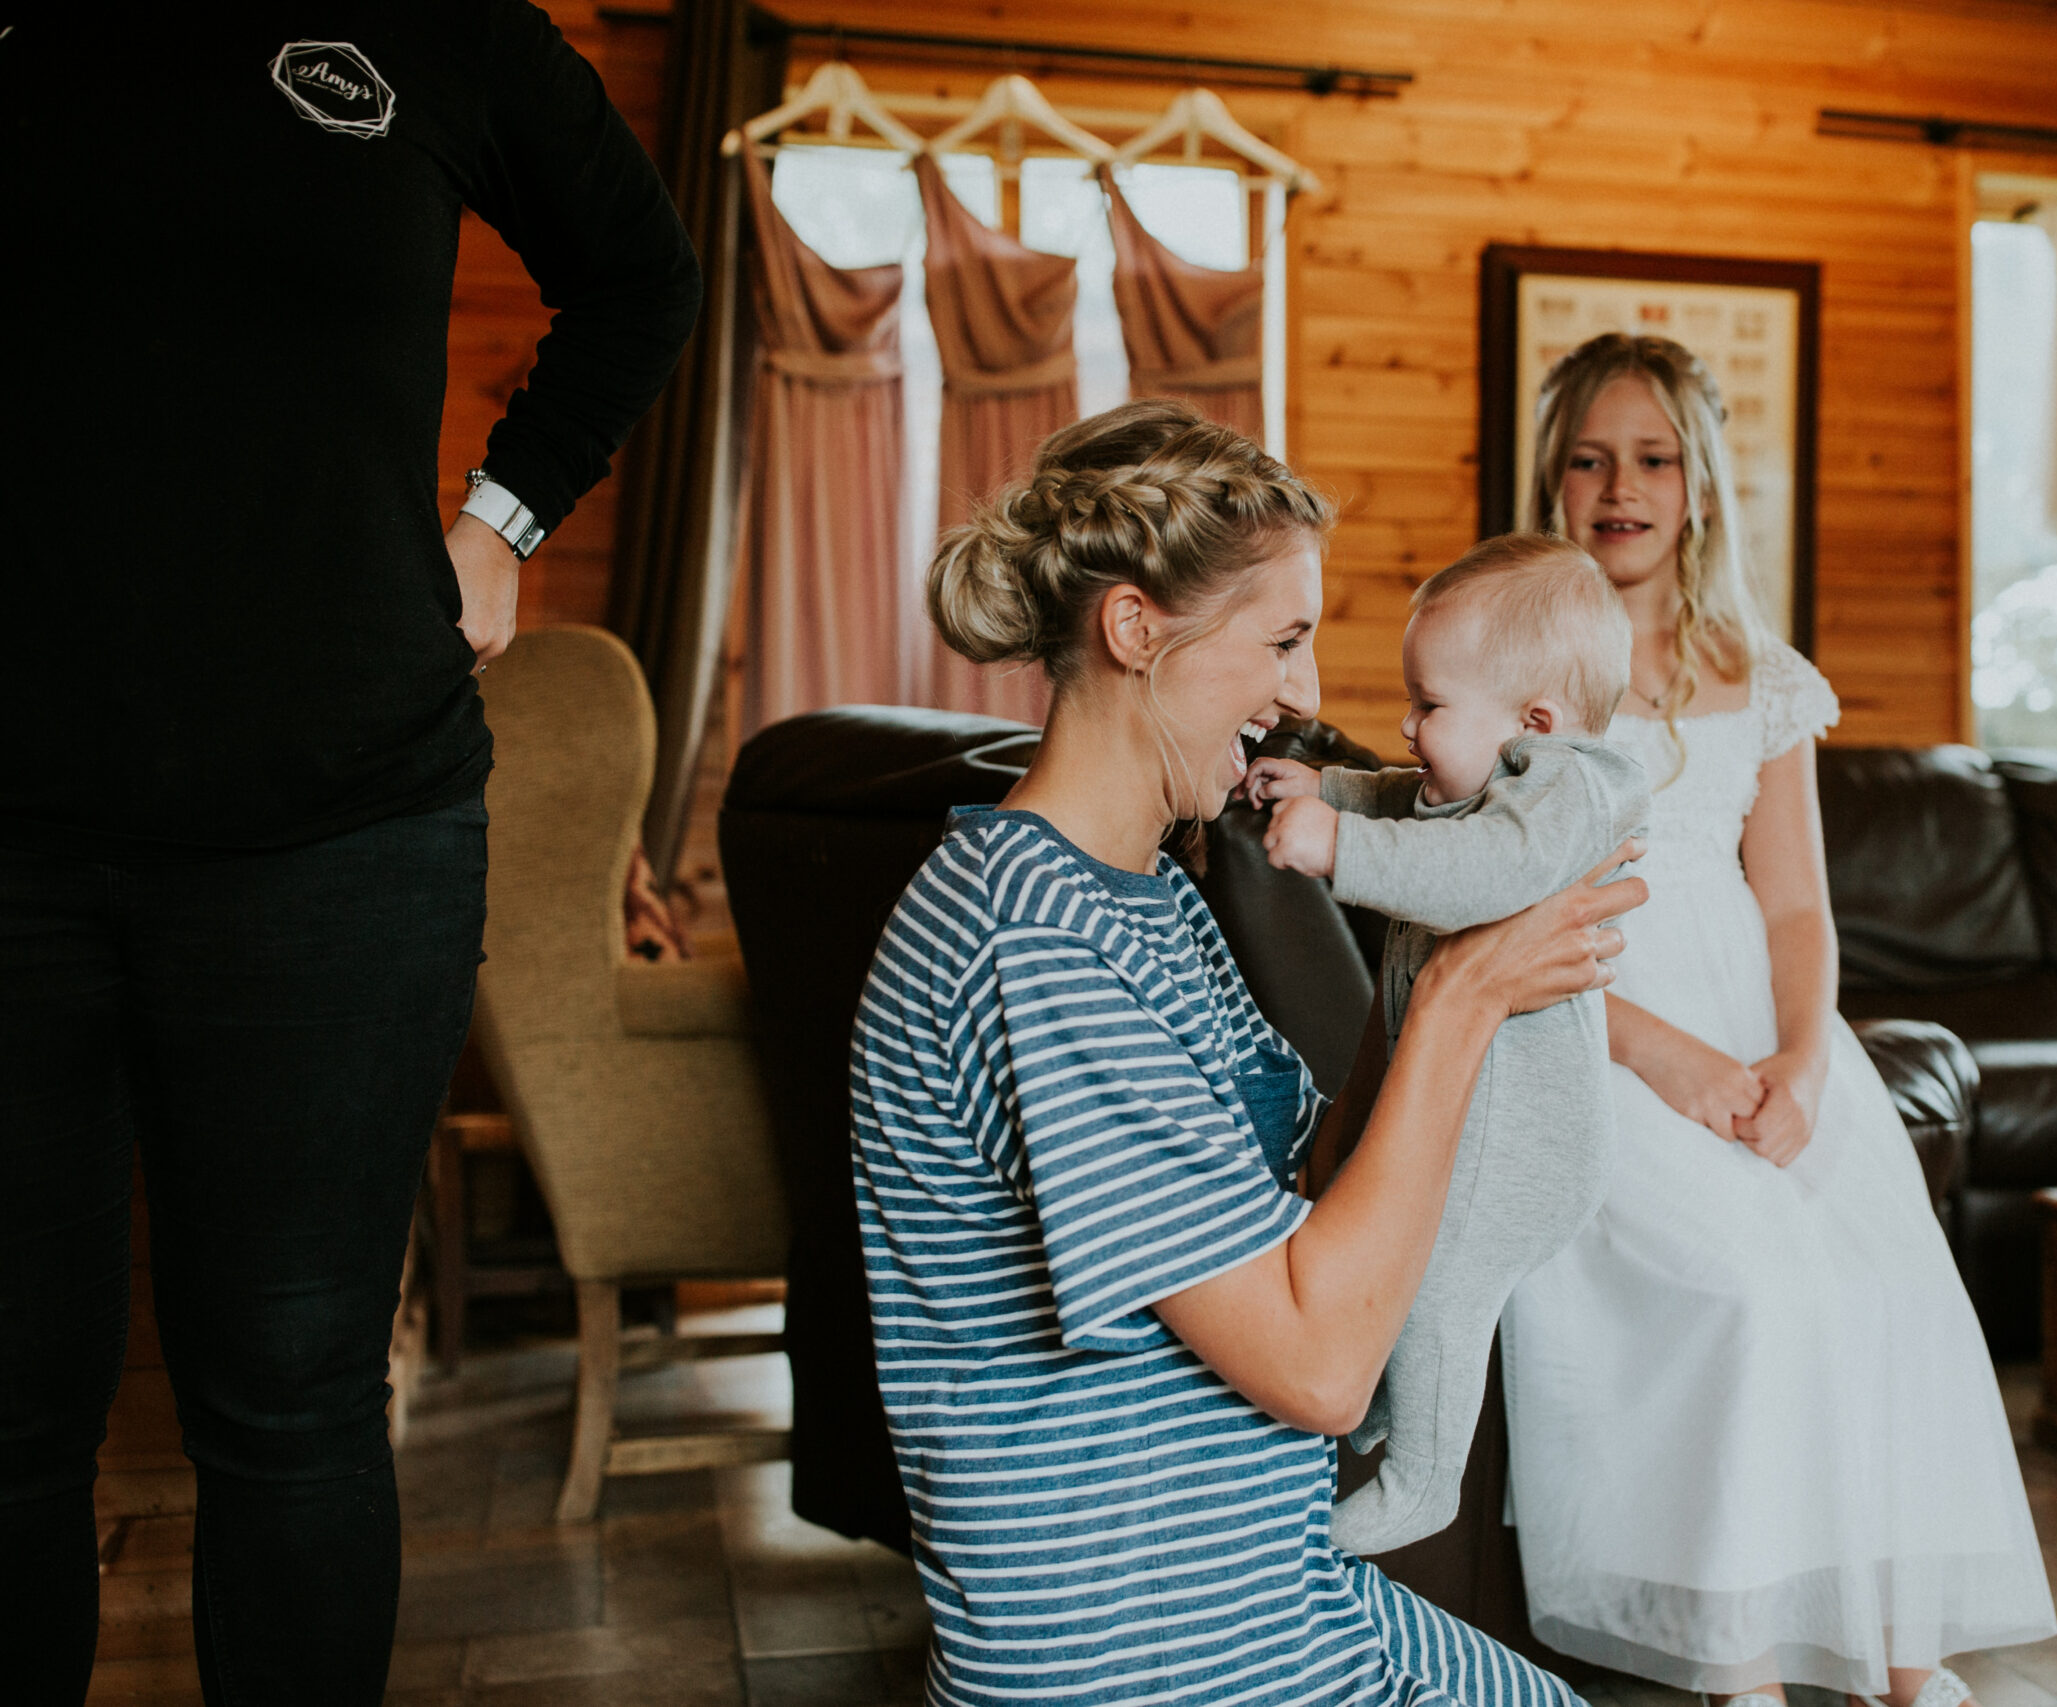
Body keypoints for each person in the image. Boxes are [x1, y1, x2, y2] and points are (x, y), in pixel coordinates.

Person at [0, 10, 700, 1703]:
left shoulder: (432, 17)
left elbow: (638, 270)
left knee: (292, 1395)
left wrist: (503, 518)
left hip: (339, 837)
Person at [850, 400, 1645, 1706]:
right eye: (1282, 640)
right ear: (1134, 628)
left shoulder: (1149, 897)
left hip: (1267, 1594)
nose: (1308, 698)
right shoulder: (1033, 942)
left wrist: (1441, 932)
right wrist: (1458, 1000)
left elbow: (1320, 1196)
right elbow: (1323, 1365)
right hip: (1141, 1657)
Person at [1497, 335, 2057, 1707]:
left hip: (1764, 1034)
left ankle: (1895, 1653)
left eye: (1651, 457)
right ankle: (1738, 1656)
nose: (1618, 485)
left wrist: (1802, 1058)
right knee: (1754, 1292)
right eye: (1588, 457)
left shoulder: (1763, 672)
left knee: (1888, 1286)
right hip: (1598, 1030)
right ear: (1552, 478)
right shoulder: (1516, 665)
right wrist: (1666, 1056)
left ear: (1698, 487)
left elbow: (1797, 907)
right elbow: (1497, 907)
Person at [1244, 534, 1650, 1557]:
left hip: (1518, 1144)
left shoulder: (1566, 793)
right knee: (1400, 1261)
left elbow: (1481, 871)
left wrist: (1338, 850)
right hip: (1476, 1120)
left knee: (1440, 1284)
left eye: (1427, 708)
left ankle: (1424, 1482)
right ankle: (1388, 1404)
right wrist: (1328, 790)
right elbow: (1404, 795)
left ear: (1534, 725)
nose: (1405, 725)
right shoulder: (1495, 773)